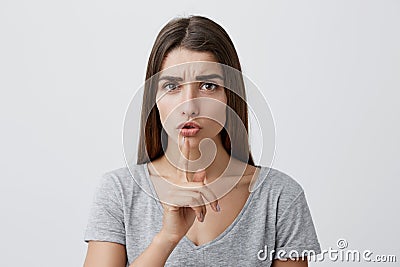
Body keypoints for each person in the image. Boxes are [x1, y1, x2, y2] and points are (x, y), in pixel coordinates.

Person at [83, 15, 321, 267]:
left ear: (230, 95)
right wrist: (167, 238)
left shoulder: (279, 197)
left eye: (208, 85)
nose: (189, 106)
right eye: (172, 86)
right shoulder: (119, 192)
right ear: (154, 98)